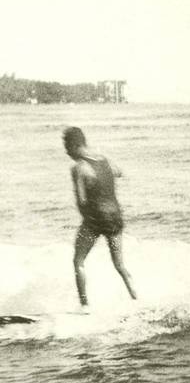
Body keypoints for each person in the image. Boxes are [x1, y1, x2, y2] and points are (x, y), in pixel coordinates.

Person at [64, 127, 137, 308]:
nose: (66, 152)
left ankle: (85, 307)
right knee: (119, 265)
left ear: (74, 145)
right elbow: (119, 172)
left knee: (78, 260)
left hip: (95, 222)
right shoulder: (104, 159)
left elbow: (81, 200)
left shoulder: (79, 168)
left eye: (67, 148)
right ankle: (136, 298)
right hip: (115, 219)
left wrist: (88, 221)